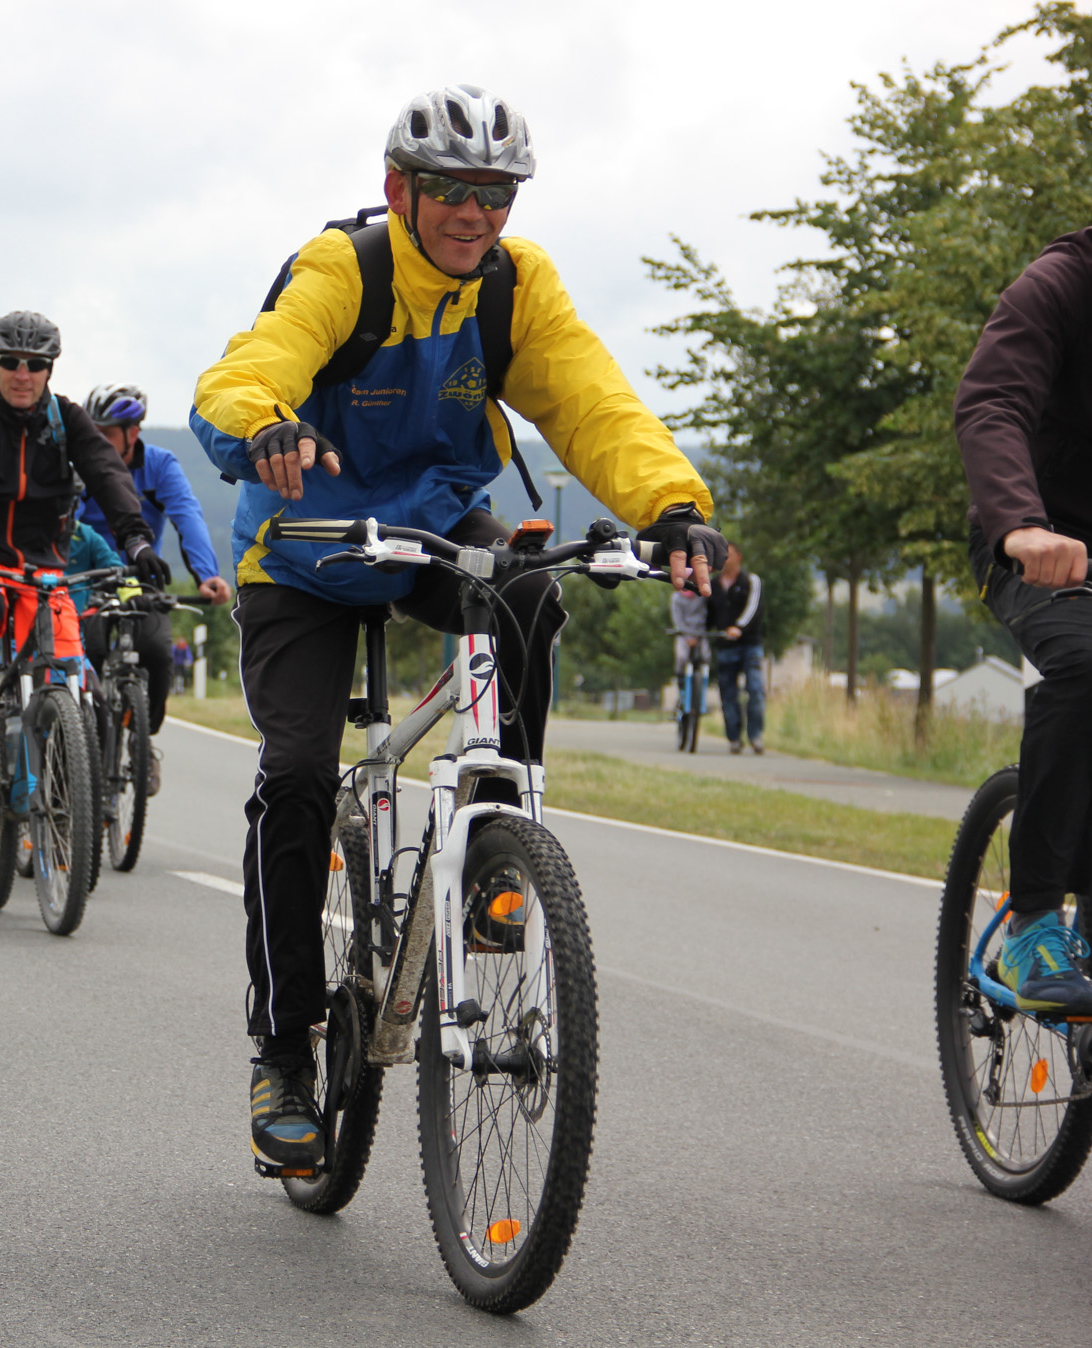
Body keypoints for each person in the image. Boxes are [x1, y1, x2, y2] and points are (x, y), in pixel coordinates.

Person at [191, 85, 724, 1173]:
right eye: (451, 190)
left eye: (497, 193)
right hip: (304, 547)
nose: (475, 213)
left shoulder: (516, 287)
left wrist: (673, 506)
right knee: (297, 776)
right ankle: (283, 1052)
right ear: (400, 188)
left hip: (434, 527)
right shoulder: (345, 270)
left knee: (528, 590)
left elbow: (592, 403)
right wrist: (265, 425)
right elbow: (250, 368)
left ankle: (492, 844)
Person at [956, 223, 1092, 1017]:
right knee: (1083, 663)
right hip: (1037, 538)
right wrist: (1021, 524)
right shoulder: (1059, 284)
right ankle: (1034, 920)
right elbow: (992, 403)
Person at [0, 312, 168, 762]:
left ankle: (68, 787)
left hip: (45, 563)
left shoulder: (67, 419)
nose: (22, 374)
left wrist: (136, 539)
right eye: (11, 362)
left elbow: (106, 473)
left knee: (72, 678)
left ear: (50, 369)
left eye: (36, 364)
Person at [76, 382, 231, 790]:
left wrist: (207, 575)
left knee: (158, 652)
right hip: (84, 577)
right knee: (89, 652)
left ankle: (142, 739)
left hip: (138, 579)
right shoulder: (81, 465)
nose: (98, 442)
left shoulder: (159, 465)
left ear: (133, 433)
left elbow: (188, 516)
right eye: (93, 433)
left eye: (107, 434)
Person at [708, 542, 764, 753]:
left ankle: (755, 735)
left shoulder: (751, 581)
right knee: (728, 693)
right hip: (725, 646)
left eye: (728, 555)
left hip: (750, 645)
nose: (724, 559)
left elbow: (754, 607)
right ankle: (734, 738)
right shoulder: (713, 585)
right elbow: (707, 615)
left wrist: (739, 627)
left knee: (755, 690)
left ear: (739, 557)